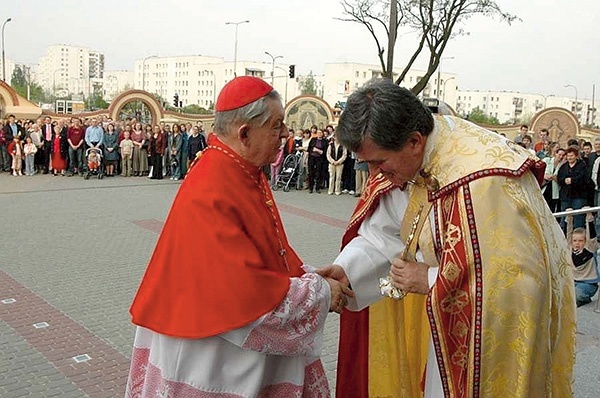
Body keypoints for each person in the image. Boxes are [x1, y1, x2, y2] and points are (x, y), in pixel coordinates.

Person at [318, 80, 575, 398]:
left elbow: (516, 283)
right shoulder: (411, 158)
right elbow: (382, 233)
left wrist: (428, 278)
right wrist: (348, 271)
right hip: (442, 322)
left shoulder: (486, 181)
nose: (373, 175)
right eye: (366, 164)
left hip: (488, 345)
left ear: (414, 141)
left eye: (378, 163)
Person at [125, 76, 352, 397]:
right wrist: (321, 294)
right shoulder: (216, 183)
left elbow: (264, 251)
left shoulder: (239, 169)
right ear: (244, 133)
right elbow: (243, 295)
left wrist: (308, 275)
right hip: (211, 355)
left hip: (225, 343)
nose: (285, 134)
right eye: (276, 126)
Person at [566, 209, 600, 307]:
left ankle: (583, 301)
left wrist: (588, 216)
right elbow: (568, 233)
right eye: (575, 240)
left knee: (577, 296)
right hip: (574, 281)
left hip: (588, 284)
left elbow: (592, 237)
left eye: (581, 241)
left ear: (585, 241)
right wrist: (569, 217)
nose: (577, 243)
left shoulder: (590, 248)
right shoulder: (569, 247)